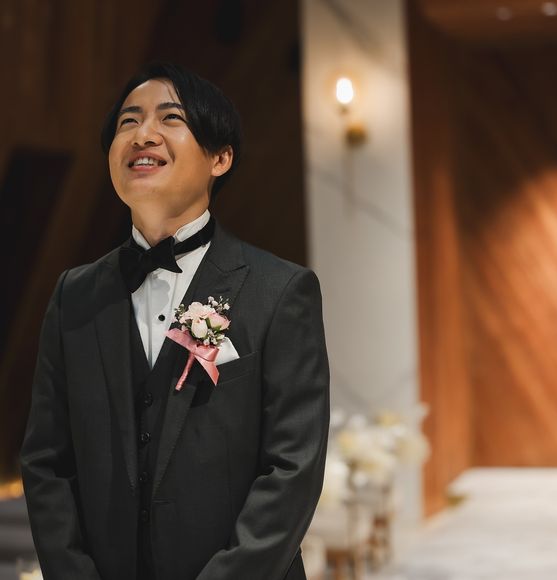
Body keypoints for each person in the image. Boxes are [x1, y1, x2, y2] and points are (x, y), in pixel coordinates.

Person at [19, 61, 330, 580]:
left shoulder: (280, 291)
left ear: (220, 157)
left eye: (170, 118)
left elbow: (292, 468)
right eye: (128, 121)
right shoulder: (75, 294)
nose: (143, 134)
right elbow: (47, 461)